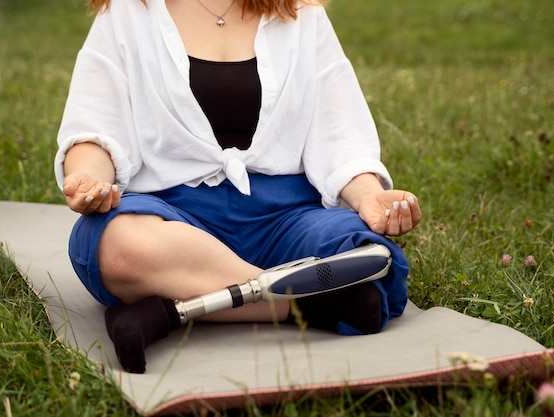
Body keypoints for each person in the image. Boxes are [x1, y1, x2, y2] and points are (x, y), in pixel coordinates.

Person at [55, 0, 422, 373]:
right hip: (174, 222)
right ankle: (310, 303)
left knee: (370, 254)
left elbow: (339, 137)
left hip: (286, 220)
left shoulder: (300, 14)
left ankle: (173, 309)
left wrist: (371, 197)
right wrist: (90, 177)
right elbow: (95, 129)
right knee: (118, 248)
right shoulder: (126, 13)